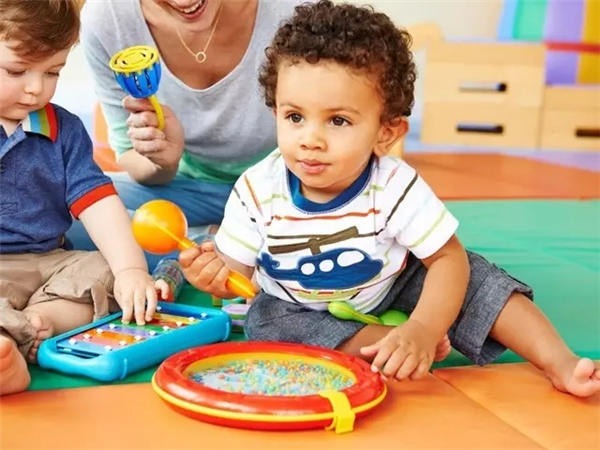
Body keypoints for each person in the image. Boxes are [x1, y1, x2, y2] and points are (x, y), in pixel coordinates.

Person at [179, 0, 600, 398]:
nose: (310, 139)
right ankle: (388, 344)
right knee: (267, 322)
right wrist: (212, 276)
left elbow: (448, 259)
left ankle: (558, 361)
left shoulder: (394, 184)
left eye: (337, 121)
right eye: (294, 117)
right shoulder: (257, 188)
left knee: (474, 277)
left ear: (386, 132)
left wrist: (425, 326)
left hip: (390, 282)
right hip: (296, 303)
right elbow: (235, 273)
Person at [0, 0, 162, 396]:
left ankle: (35, 326)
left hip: (51, 261)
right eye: (17, 71)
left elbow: (98, 203)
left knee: (106, 270)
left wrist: (130, 270)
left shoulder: (64, 129)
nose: (36, 88)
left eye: (52, 72)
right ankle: (10, 351)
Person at [75, 0, 308, 267]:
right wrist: (162, 161)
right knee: (62, 207)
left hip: (286, 186)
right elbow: (129, 155)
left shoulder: (292, 7)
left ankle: (224, 250)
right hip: (191, 189)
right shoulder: (108, 18)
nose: (185, 2)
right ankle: (214, 244)